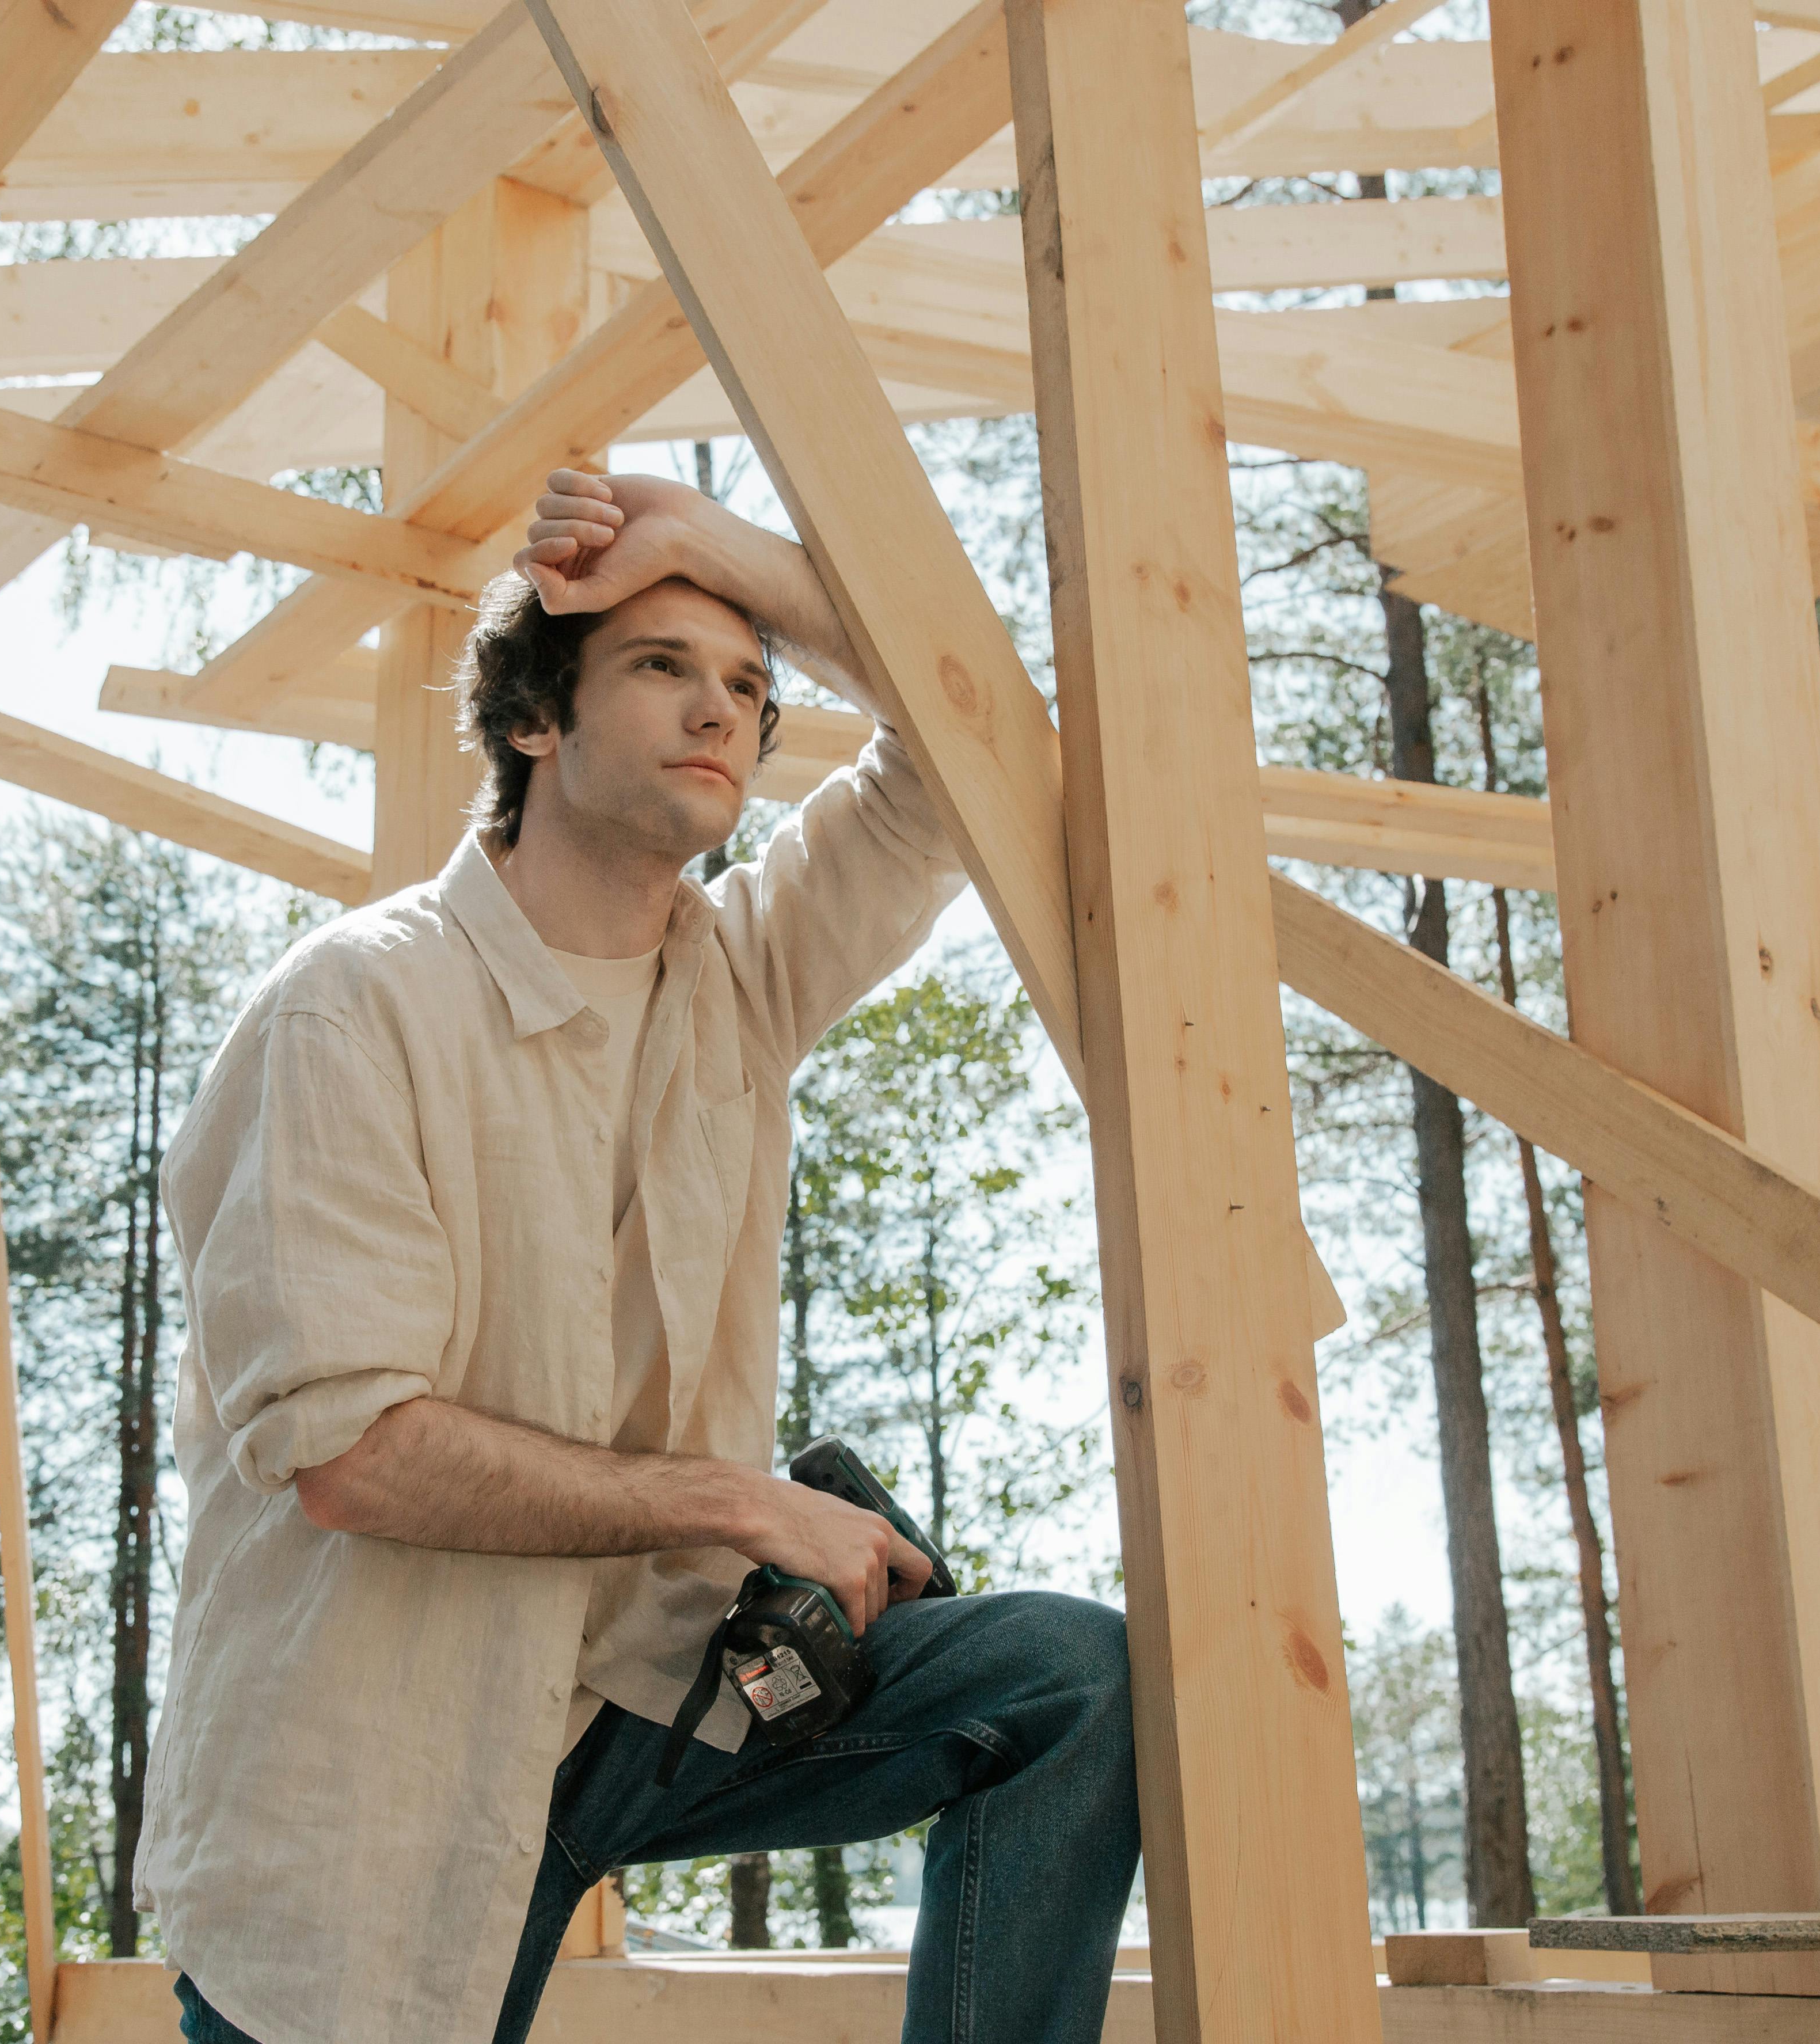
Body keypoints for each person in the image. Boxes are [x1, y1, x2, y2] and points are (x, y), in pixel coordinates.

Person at [137, 470, 1141, 2044]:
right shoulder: (355, 1008)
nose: (722, 713)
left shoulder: (742, 977)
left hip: (657, 1701)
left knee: (1068, 1686)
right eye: (664, 665)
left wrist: (716, 553)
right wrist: (741, 1501)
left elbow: (966, 751)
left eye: (748, 686)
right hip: (384, 1768)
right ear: (538, 719)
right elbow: (352, 1456)